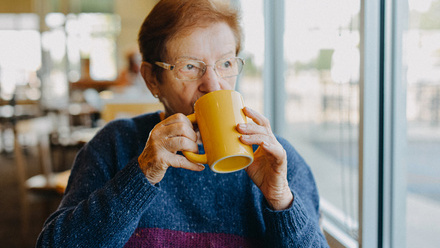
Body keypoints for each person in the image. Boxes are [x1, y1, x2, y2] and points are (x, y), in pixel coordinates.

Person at [37, 0, 329, 247]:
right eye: (190, 67)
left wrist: (280, 200)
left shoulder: (276, 158)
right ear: (153, 79)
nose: (213, 85)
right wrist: (142, 175)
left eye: (226, 64)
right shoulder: (115, 144)